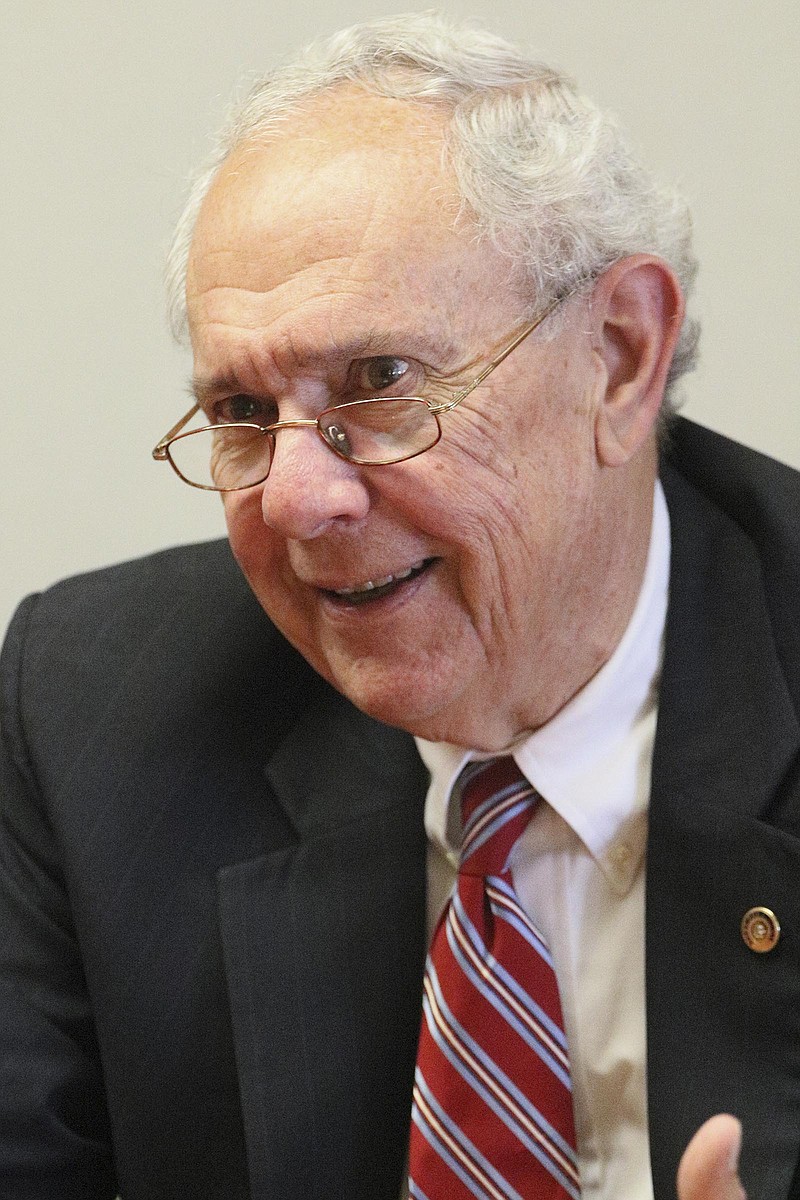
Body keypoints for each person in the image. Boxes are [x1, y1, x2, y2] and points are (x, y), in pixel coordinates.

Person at [1, 13, 797, 1200]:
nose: (295, 498)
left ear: (620, 358)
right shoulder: (95, 713)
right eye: (239, 414)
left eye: (378, 383)